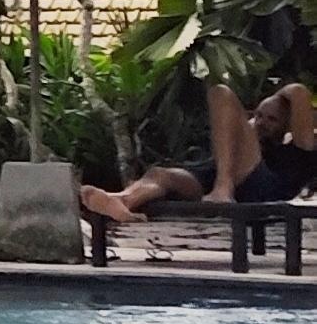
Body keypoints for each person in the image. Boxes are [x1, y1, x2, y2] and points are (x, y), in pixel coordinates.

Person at [81, 81, 317, 224]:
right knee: (162, 175)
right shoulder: (236, 149)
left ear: (289, 125)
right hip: (216, 179)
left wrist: (278, 98)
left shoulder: (298, 150)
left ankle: (223, 188)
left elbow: (298, 91)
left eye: (272, 119)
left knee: (221, 93)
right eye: (258, 115)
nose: (261, 122)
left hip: (262, 189)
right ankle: (123, 200)